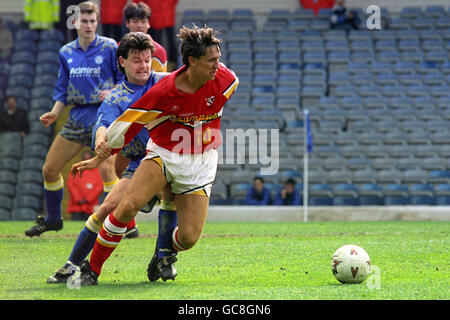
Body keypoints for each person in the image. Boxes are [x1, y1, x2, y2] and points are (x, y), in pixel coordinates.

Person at [71, 25, 239, 285]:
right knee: (126, 206)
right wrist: (98, 157)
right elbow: (129, 124)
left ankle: (164, 252)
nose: (218, 65)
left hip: (201, 163)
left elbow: (224, 83)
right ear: (192, 62)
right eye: (212, 60)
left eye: (219, 58)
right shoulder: (164, 91)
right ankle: (91, 270)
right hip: (163, 154)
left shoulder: (226, 81)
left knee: (189, 238)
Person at [46, 32, 178, 283]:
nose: (144, 65)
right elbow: (103, 123)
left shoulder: (164, 81)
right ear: (122, 62)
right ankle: (73, 266)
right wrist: (100, 140)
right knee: (107, 206)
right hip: (140, 163)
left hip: (169, 158)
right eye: (137, 60)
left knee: (173, 200)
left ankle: (161, 258)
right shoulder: (117, 97)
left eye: (147, 60)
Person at [24, 1, 124, 238]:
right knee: (49, 169)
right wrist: (55, 113)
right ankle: (53, 219)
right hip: (77, 117)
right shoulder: (66, 52)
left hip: (103, 116)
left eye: (92, 21)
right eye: (84, 21)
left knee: (108, 171)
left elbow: (124, 81)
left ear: (97, 22)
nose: (88, 25)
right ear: (76, 22)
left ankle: (122, 224)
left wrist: (113, 92)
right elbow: (62, 89)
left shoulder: (110, 47)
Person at [111, 1, 169, 178]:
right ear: (127, 23)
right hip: (122, 116)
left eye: (143, 21)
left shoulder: (158, 52)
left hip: (146, 117)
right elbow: (114, 80)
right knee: (118, 170)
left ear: (149, 24)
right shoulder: (117, 48)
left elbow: (159, 88)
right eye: (135, 21)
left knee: (150, 166)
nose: (139, 25)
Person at [67, 150, 103, 221]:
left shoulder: (97, 171)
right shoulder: (76, 170)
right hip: (76, 205)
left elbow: (99, 187)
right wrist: (78, 198)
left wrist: (88, 199)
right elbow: (71, 184)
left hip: (90, 205)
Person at [144, 0, 179, 70]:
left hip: (167, 15)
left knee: (170, 42)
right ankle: (156, 64)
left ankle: (173, 65)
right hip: (155, 17)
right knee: (156, 43)